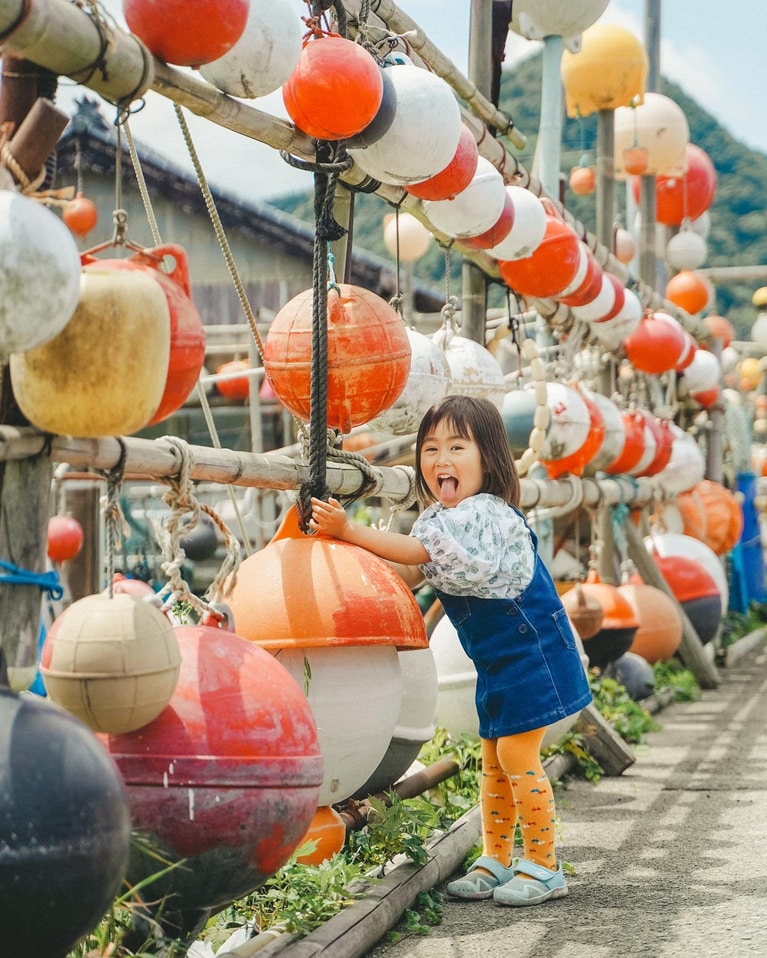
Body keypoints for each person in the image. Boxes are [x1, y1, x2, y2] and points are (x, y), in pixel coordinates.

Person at [310, 394, 592, 907]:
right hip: (498, 662)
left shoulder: (482, 514)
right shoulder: (443, 518)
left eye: (457, 447)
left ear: (489, 457)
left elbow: (420, 555)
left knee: (515, 755)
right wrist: (355, 551)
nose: (441, 459)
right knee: (492, 759)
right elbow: (415, 573)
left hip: (533, 655)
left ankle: (546, 865)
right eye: (431, 448)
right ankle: (497, 857)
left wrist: (350, 530)